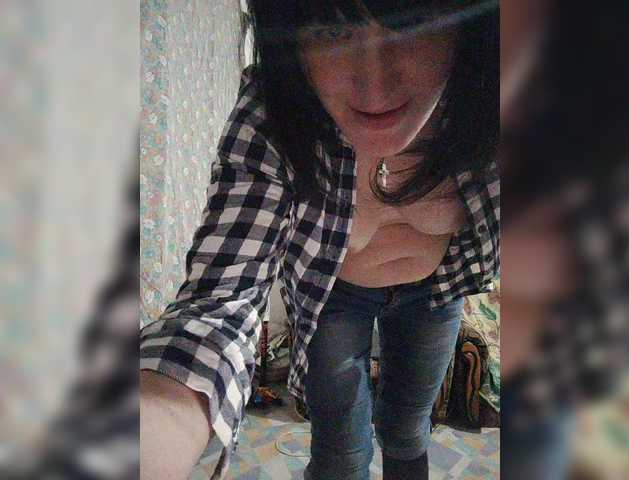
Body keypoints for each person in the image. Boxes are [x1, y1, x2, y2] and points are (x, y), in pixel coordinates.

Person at [140, 1, 499, 479]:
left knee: (408, 431)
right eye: (332, 28)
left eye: (411, 21)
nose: (374, 83)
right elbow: (219, 302)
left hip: (434, 295)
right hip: (335, 301)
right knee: (341, 454)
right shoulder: (275, 111)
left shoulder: (493, 105)